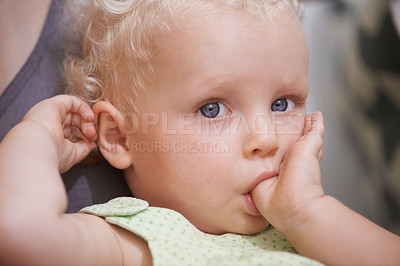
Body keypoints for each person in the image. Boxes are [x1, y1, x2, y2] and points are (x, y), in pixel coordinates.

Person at [0, 0, 399, 265]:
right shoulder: (137, 238)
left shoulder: (310, 225)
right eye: (212, 109)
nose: (267, 138)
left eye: (282, 104)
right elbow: (18, 233)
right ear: (121, 138)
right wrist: (37, 135)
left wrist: (308, 213)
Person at [0, 0, 131, 213]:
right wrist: (40, 135)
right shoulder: (137, 232)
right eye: (206, 109)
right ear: (119, 137)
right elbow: (20, 226)